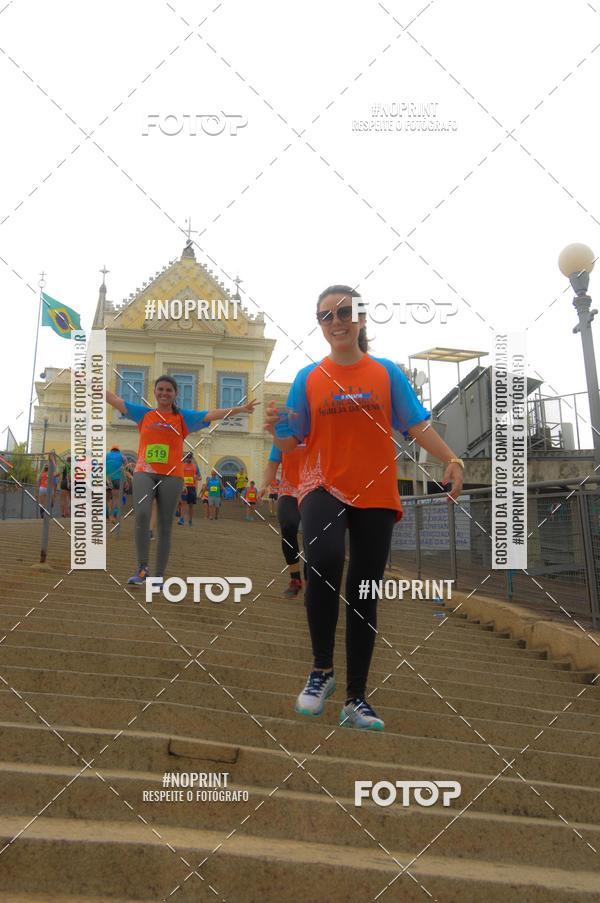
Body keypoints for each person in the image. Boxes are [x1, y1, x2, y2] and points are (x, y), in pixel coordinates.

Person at [265, 285, 464, 731]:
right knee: (324, 559)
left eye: (344, 312)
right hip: (322, 485)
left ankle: (356, 697)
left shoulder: (386, 373)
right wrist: (277, 430)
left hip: (375, 492)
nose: (336, 321)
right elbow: (291, 443)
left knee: (365, 590)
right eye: (326, 315)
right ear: (320, 324)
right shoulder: (308, 378)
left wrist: (451, 459)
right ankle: (321, 670)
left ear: (360, 318)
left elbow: (415, 424)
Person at [106, 375, 258, 584]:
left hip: (172, 476)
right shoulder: (144, 414)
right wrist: (87, 383)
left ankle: (158, 576)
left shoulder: (183, 417)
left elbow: (212, 413)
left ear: (175, 394)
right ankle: (142, 568)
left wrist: (241, 409)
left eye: (169, 390)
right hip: (144, 471)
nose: (164, 393)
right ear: (154, 392)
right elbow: (114, 399)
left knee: (165, 525)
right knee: (141, 515)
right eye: (160, 389)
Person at [260, 444, 307, 598]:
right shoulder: (283, 435)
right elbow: (272, 466)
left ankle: (310, 585)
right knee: (287, 526)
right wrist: (263, 486)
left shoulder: (319, 432)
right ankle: (295, 579)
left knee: (311, 538)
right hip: (289, 491)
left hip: (314, 491)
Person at [105, 446, 127, 524]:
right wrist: (126, 481)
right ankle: (113, 516)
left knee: (106, 498)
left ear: (111, 451)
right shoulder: (122, 456)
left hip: (107, 479)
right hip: (117, 479)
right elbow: (125, 469)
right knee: (116, 498)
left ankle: (106, 517)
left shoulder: (106, 455)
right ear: (118, 451)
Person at [179, 452, 200, 526]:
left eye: (189, 457)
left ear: (191, 458)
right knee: (183, 503)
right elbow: (180, 476)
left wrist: (196, 477)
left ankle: (190, 520)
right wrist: (183, 485)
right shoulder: (182, 466)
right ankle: (181, 519)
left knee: (191, 505)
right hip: (184, 487)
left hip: (192, 488)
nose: (188, 459)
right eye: (187, 457)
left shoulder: (195, 467)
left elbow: (200, 477)